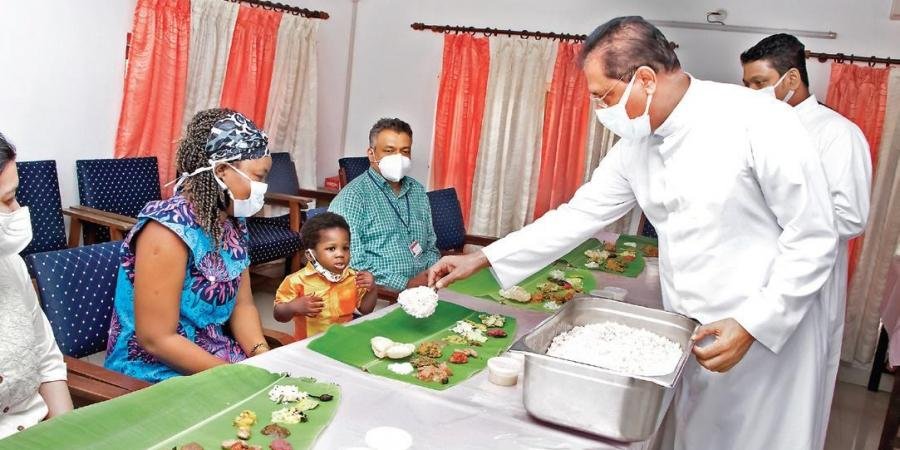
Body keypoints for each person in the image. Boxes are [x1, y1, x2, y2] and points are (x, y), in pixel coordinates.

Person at [428, 17, 838, 450]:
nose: (601, 111)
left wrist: (756, 324)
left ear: (644, 79)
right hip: (692, 330)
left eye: (604, 96)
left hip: (764, 333)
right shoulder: (638, 145)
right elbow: (579, 213)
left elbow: (813, 235)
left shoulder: (757, 119)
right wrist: (485, 257)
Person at [741, 33, 872, 449]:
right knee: (748, 394)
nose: (752, 94)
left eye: (759, 83)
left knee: (793, 399)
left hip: (808, 284)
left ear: (792, 78)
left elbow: (851, 217)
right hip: (754, 278)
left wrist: (784, 215)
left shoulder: (837, 134)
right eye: (747, 85)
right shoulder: (756, 130)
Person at [105, 109, 272, 383]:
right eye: (259, 176)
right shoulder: (166, 232)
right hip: (155, 370)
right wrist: (234, 377)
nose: (263, 188)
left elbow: (243, 305)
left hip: (213, 357)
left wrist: (261, 354)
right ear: (221, 170)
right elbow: (157, 340)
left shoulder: (231, 222)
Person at [0, 132, 73, 437]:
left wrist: (71, 435)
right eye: (7, 199)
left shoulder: (10, 265)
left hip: (40, 431)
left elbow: (47, 360)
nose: (17, 210)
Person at [329, 118, 440, 292]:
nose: (399, 158)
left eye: (405, 151)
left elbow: (431, 245)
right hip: (379, 294)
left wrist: (432, 273)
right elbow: (352, 262)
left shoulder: (417, 191)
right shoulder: (352, 199)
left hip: (429, 287)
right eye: (389, 151)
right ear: (371, 153)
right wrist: (406, 284)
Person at [273, 212, 378, 338]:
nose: (340, 254)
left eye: (345, 248)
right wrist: (292, 307)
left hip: (344, 341)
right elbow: (278, 315)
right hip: (308, 348)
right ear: (310, 255)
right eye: (331, 248)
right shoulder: (296, 281)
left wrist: (372, 288)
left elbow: (366, 310)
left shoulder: (354, 277)